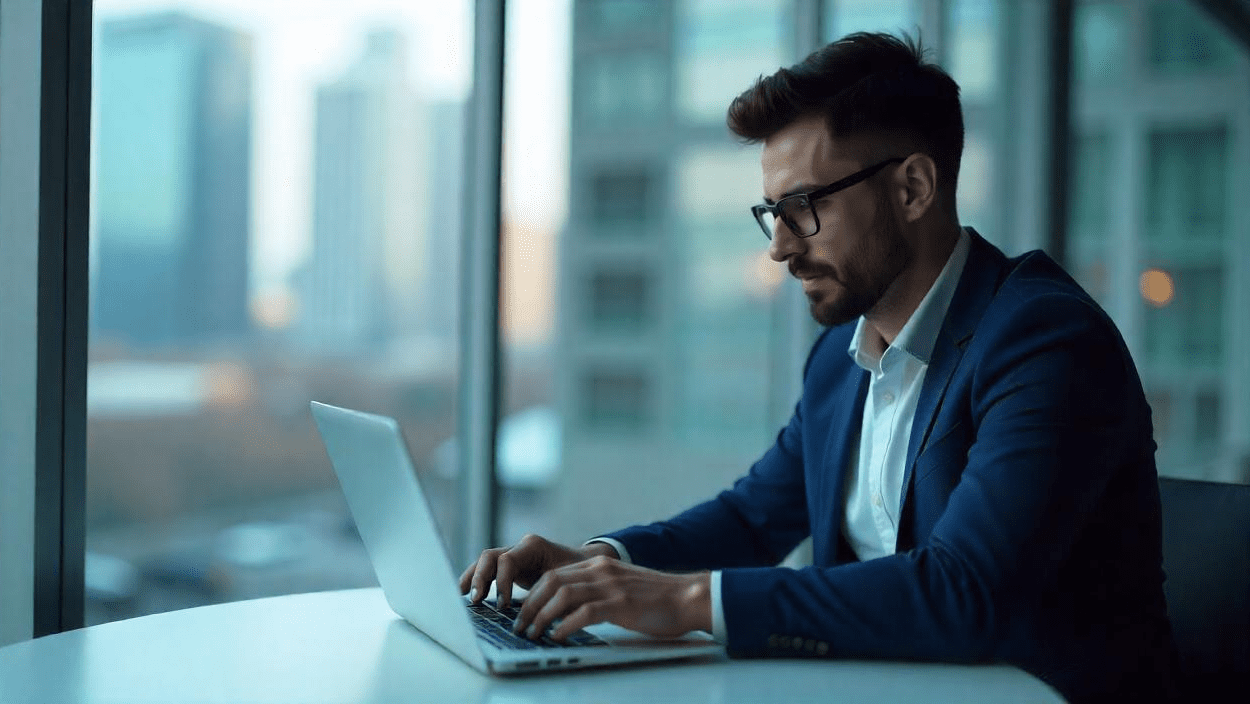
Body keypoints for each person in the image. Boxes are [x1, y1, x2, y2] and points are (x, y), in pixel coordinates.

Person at [459, 32, 1180, 703]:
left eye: (802, 207)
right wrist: (598, 564)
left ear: (912, 189)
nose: (779, 247)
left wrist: (684, 601)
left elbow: (965, 592)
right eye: (771, 211)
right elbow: (751, 518)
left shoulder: (1043, 339)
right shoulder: (840, 360)